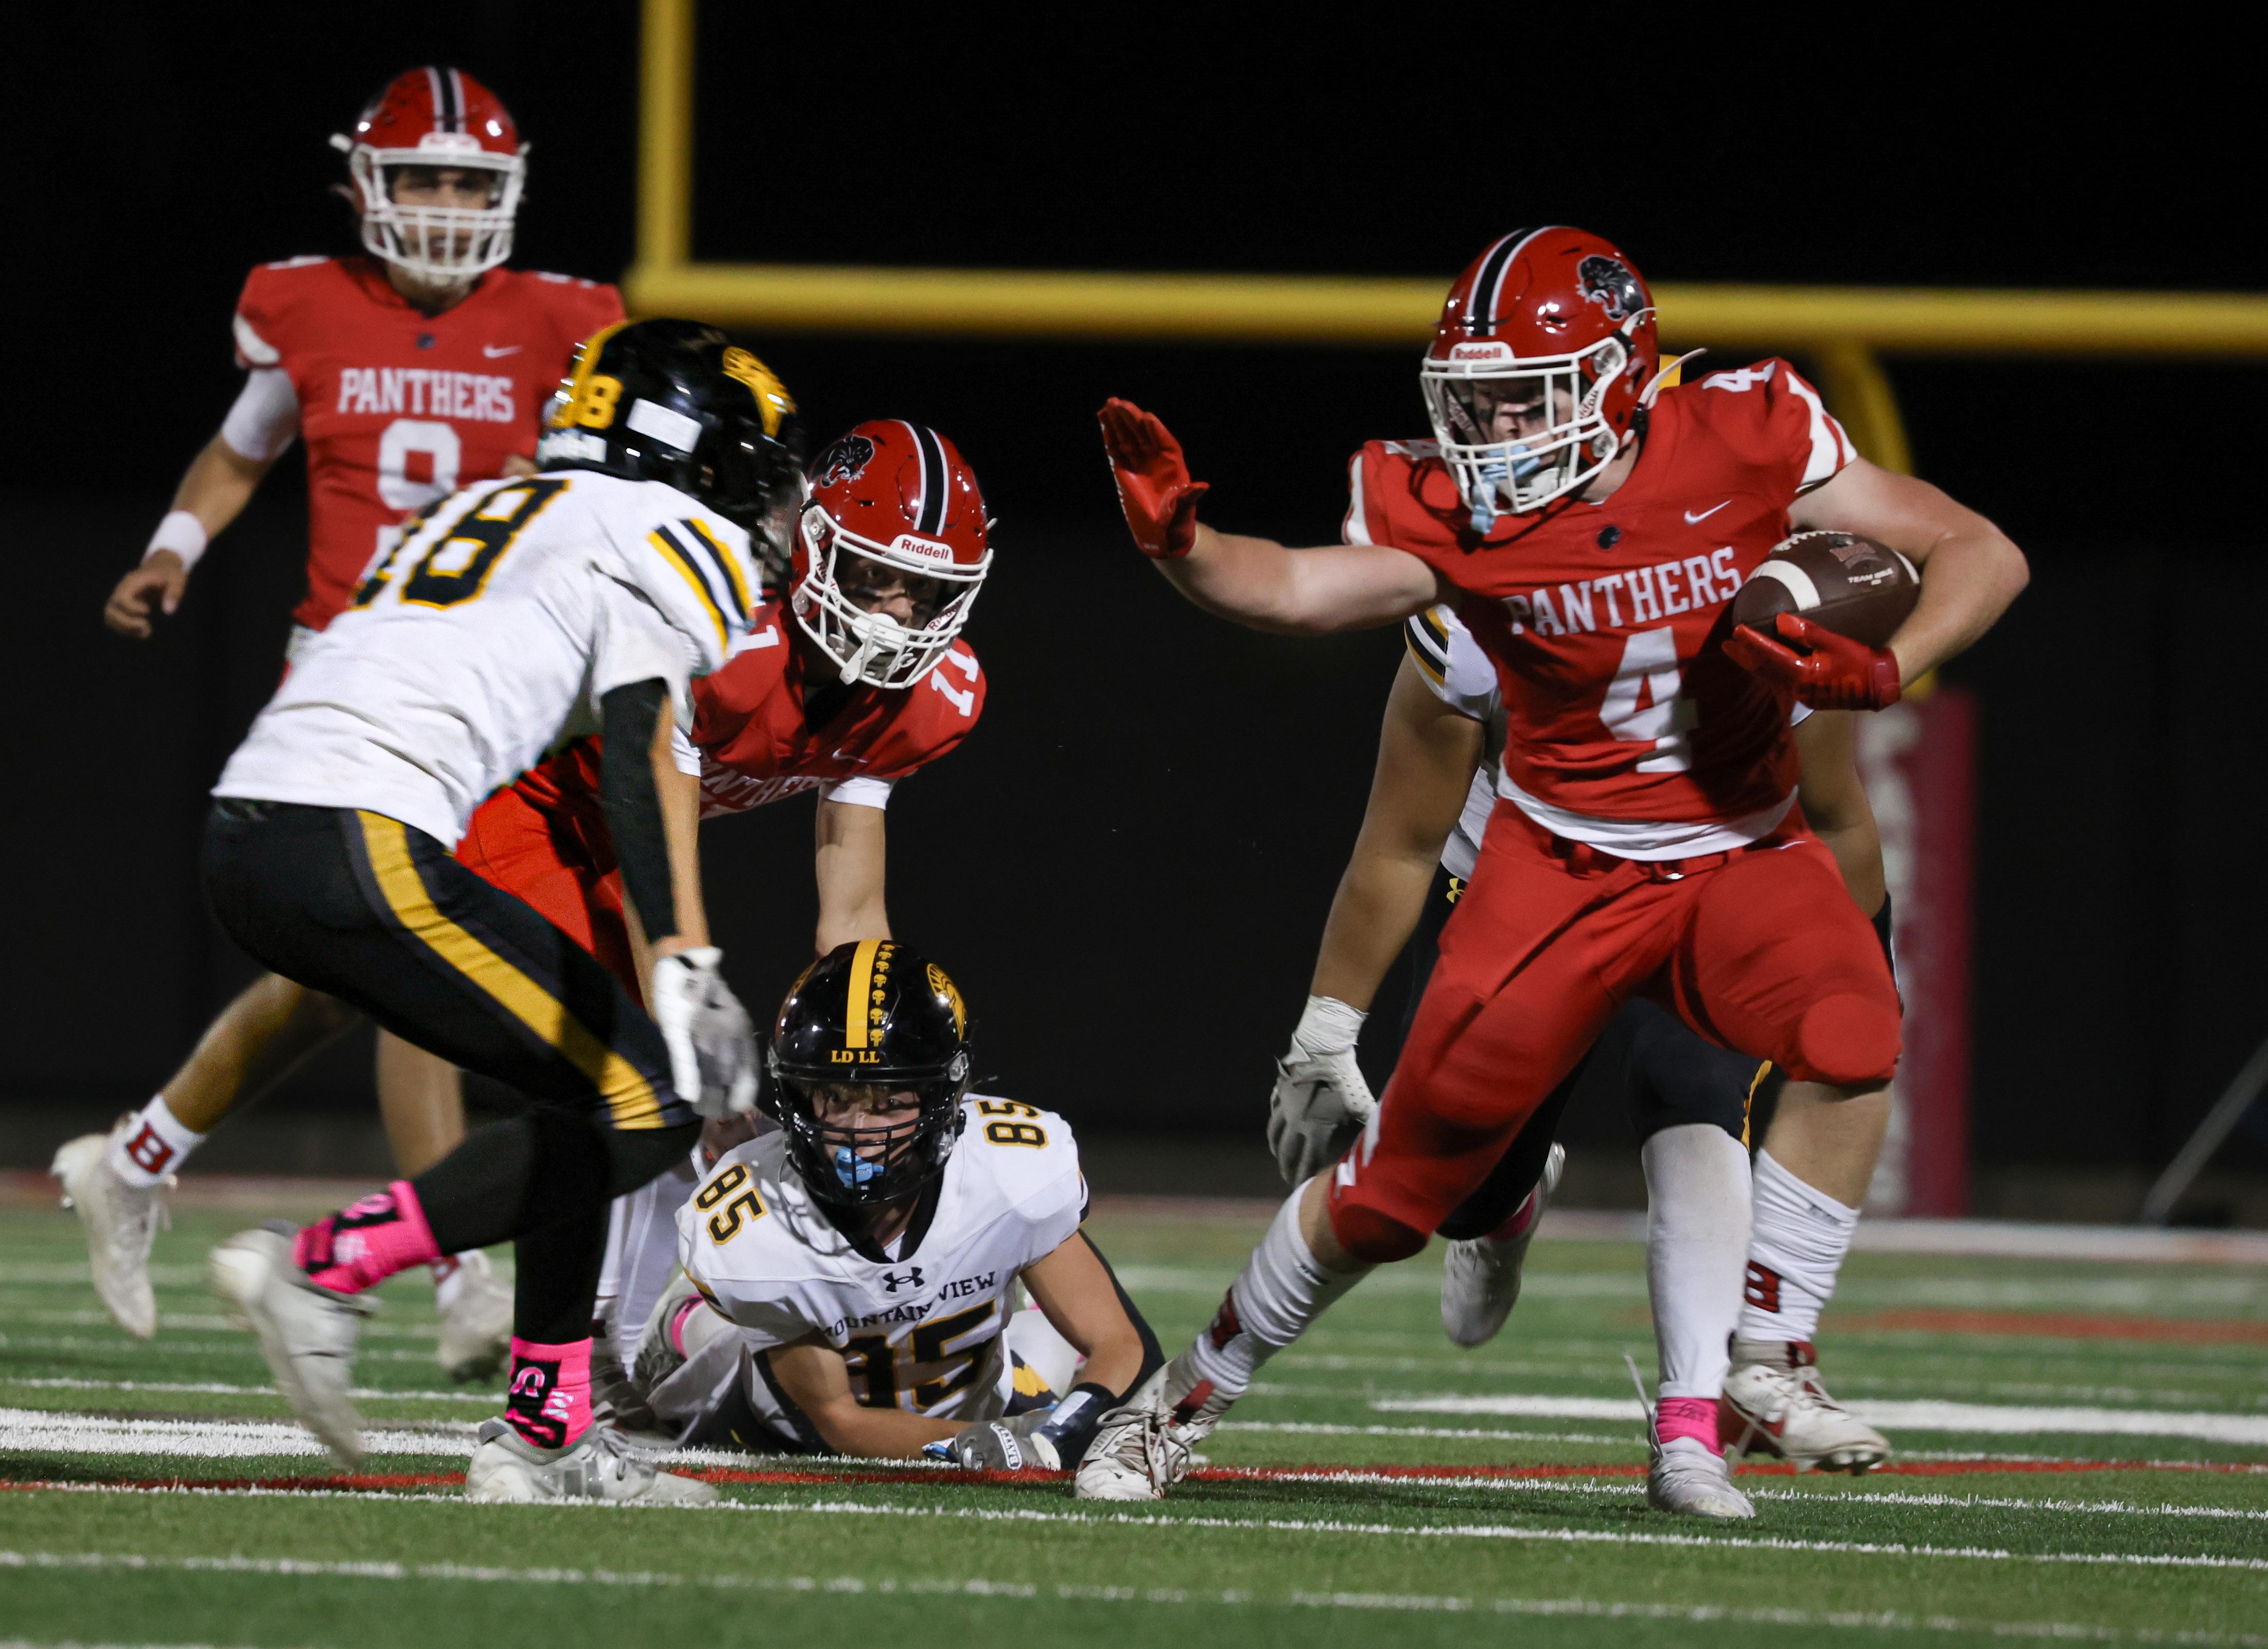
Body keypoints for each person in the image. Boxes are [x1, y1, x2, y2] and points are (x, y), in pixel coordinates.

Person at [1080, 227, 2027, 1515]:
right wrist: (1184, 548)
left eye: (1526, 396)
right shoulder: (1458, 508)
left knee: (1854, 1026)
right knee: (1391, 1201)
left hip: (1737, 852)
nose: (1492, 429)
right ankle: (1179, 1400)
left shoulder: (1748, 430)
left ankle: (1764, 1352)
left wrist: (1891, 660)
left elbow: (1981, 548)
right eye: (1475, 401)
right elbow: (1298, 589)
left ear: (1620, 378)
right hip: (1558, 866)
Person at [60, 65, 622, 1376]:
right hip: (350, 673)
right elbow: (241, 448)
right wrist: (173, 549)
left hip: (489, 689)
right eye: (419, 178)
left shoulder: (564, 320)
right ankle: (461, 1274)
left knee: (336, 984)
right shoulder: (307, 302)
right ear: (364, 185)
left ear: (507, 195)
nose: (441, 207)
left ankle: (135, 1159)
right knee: (412, 944)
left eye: (466, 184)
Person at [201, 319, 797, 1506]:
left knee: (582, 1089)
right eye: (750, 468)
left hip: (257, 831)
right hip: (357, 831)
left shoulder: (496, 503)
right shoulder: (664, 526)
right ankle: (325, 1265)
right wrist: (685, 964)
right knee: (651, 1095)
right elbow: (640, 750)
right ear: (691, 450)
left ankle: (545, 1429)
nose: (765, 508)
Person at [1271, 598, 1895, 1483]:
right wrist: (1326, 1032)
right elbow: (1401, 843)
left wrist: (1856, 983)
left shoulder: (1758, 600)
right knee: (1457, 1185)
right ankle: (1502, 1208)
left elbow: (1836, 816)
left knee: (1692, 1093)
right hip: (1518, 896)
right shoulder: (1483, 610)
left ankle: (1694, 1423)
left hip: (1707, 886)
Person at [453, 420, 996, 1367]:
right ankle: (552, 1342)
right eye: (875, 576)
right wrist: (692, 1017)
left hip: (621, 839)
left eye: (925, 592)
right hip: (524, 810)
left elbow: (851, 916)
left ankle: (609, 1355)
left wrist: (870, 1066)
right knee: (653, 1081)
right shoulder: (723, 634)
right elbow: (650, 853)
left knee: (686, 1100)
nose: (896, 613)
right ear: (813, 544)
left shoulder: (925, 700)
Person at [629, 941, 1160, 1472]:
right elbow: (839, 1420)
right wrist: (1007, 1444)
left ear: (942, 1097)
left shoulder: (1009, 1172)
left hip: (976, 1403)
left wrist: (1055, 1435)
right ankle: (684, 1318)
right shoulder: (756, 1223)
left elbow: (1123, 1345)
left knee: (1054, 1364)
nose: (858, 1132)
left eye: (890, 1103)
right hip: (791, 1431)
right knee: (717, 1345)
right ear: (799, 1093)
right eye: (836, 1098)